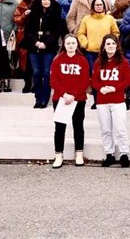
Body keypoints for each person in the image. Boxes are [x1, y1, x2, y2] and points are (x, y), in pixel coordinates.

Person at [49, 34, 90, 168]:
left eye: (73, 43)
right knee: (60, 128)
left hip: (78, 99)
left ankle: (79, 154)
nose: (71, 45)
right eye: (68, 43)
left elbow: (85, 81)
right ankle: (58, 155)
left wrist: (73, 95)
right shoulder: (57, 60)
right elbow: (53, 80)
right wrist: (64, 94)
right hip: (61, 99)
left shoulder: (82, 60)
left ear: (77, 44)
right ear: (64, 45)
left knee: (78, 126)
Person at [93, 34, 130, 168]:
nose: (110, 46)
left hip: (118, 101)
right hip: (102, 101)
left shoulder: (123, 62)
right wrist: (101, 88)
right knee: (105, 129)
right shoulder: (98, 62)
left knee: (120, 129)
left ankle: (124, 154)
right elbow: (94, 81)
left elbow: (127, 80)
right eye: (108, 44)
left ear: (117, 45)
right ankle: (109, 154)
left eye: (113, 44)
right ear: (104, 47)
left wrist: (113, 88)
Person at [23, 0, 66, 108]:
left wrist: (45, 43)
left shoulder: (55, 14)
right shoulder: (33, 14)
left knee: (46, 73)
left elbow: (57, 32)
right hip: (34, 47)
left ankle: (45, 98)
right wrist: (36, 42)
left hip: (49, 48)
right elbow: (28, 32)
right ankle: (38, 97)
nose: (46, 1)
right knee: (36, 73)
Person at [76, 0, 120, 75]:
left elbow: (116, 33)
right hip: (91, 52)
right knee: (93, 74)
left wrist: (111, 45)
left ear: (104, 6)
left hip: (106, 52)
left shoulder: (110, 19)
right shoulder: (86, 19)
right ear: (93, 6)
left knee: (105, 74)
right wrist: (86, 44)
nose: (99, 6)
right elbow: (81, 33)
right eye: (96, 5)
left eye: (100, 4)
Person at [13, 0, 39, 94]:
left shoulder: (41, 1)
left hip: (37, 35)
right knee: (25, 59)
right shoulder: (22, 4)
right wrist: (24, 15)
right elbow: (16, 19)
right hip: (24, 35)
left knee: (36, 60)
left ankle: (36, 84)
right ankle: (27, 83)